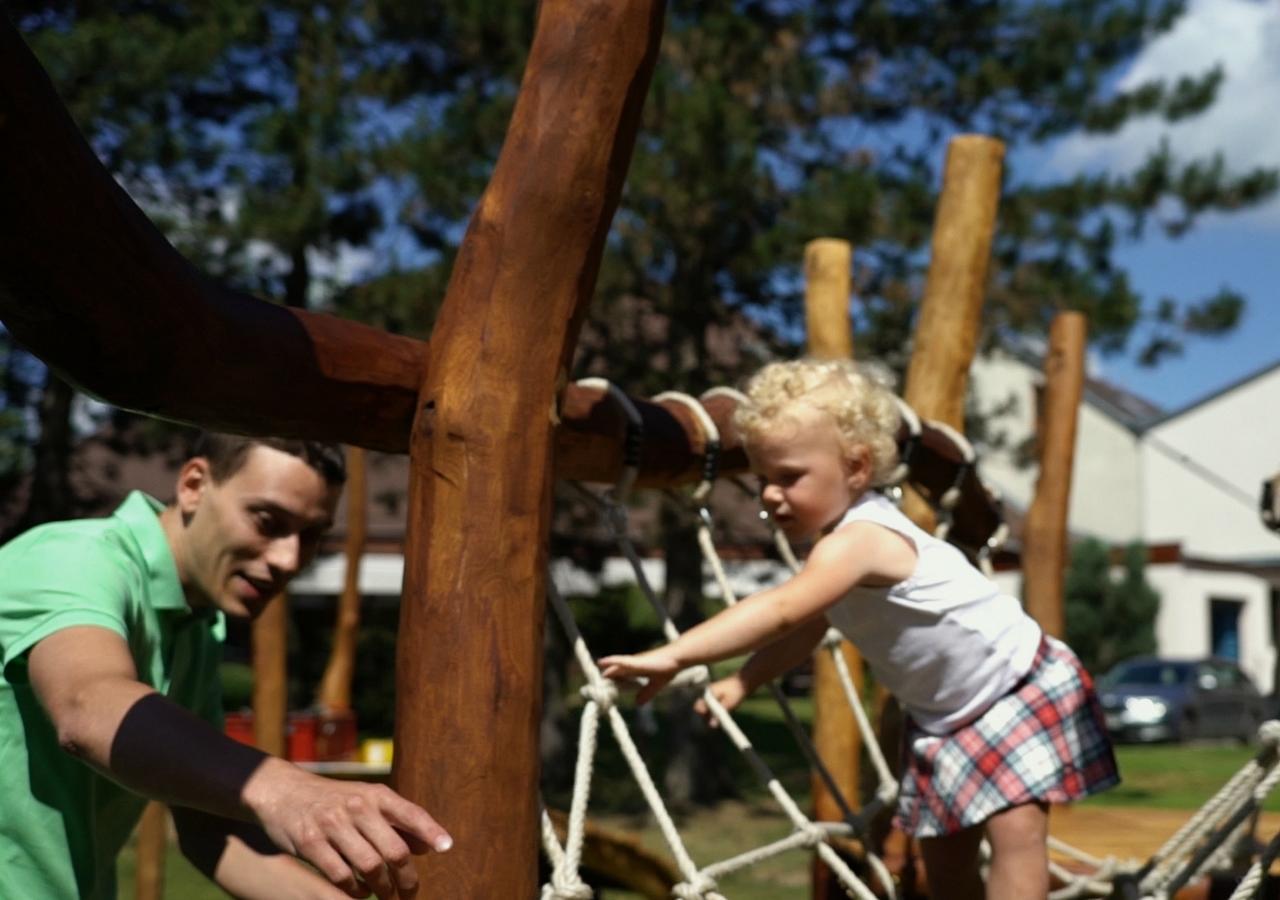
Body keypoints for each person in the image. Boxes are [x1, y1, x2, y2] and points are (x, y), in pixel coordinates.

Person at [600, 359, 1119, 899]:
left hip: (1013, 691)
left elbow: (780, 610)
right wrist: (746, 681)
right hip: (943, 721)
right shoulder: (834, 550)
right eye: (762, 479)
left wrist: (677, 654)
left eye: (789, 477)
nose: (770, 495)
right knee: (945, 862)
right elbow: (801, 629)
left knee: (1016, 834)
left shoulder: (860, 541)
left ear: (856, 466)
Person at [0, 433, 452, 900]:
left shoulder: (195, 628)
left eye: (312, 534)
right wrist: (289, 791)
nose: (288, 559)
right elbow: (87, 705)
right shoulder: (73, 559)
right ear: (194, 484)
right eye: (267, 521)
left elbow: (212, 830)